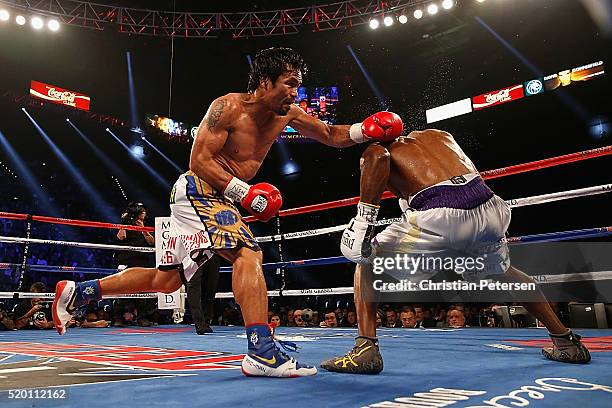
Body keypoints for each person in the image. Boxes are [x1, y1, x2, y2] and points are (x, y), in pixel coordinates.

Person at [52, 47, 403, 378]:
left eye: (298, 84)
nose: (296, 93)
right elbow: (199, 161)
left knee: (168, 280)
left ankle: (80, 292)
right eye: (289, 83)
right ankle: (261, 351)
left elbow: (329, 133)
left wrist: (364, 130)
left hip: (214, 198)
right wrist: (245, 192)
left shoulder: (289, 114)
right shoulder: (228, 108)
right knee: (248, 253)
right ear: (265, 81)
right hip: (200, 189)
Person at [321, 129, 591, 374]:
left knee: (367, 260)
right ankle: (565, 341)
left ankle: (365, 349)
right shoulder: (438, 135)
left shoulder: (378, 149)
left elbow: (378, 157)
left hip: (441, 213)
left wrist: (363, 222)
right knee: (504, 272)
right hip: (489, 206)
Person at [186, 254, 221, 334]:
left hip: (212, 251)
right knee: (194, 284)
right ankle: (199, 323)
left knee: (211, 285)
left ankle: (206, 321)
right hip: (193, 250)